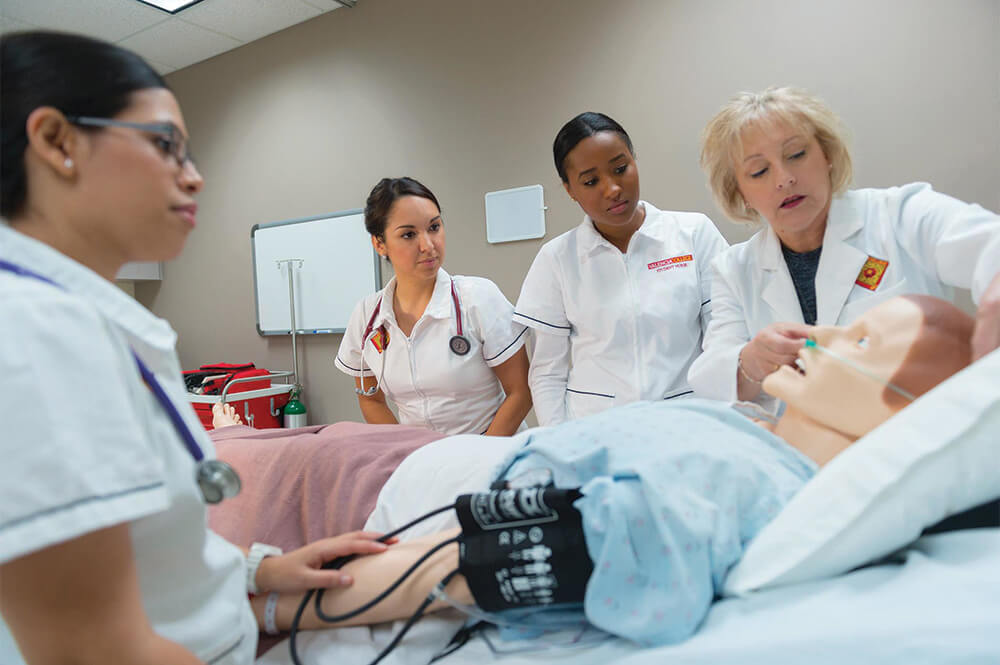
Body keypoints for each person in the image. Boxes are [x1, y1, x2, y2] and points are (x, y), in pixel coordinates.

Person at [260, 294, 979, 648]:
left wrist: (259, 607)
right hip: (399, 454)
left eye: (860, 341)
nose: (817, 337)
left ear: (902, 409)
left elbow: (450, 566)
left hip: (375, 487)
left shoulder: (742, 480)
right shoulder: (751, 435)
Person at [0, 31, 391, 665]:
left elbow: (140, 551)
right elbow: (95, 650)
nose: (195, 176)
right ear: (56, 141)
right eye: (165, 145)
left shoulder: (83, 321)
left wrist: (261, 569)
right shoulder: (33, 334)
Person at [687, 86, 1000, 406]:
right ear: (740, 194)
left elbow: (990, 243)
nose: (784, 178)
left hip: (921, 422)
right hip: (808, 436)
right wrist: (751, 360)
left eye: (796, 154)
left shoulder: (900, 214)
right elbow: (713, 378)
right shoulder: (734, 271)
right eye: (759, 171)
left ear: (827, 155)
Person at [513, 112, 729, 426]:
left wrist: (722, 422)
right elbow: (548, 373)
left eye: (620, 168)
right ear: (570, 189)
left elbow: (724, 340)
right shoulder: (557, 259)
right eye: (591, 181)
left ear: (634, 160)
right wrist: (558, 441)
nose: (613, 188)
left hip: (687, 421)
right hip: (597, 430)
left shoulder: (693, 234)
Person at [335, 177, 531, 436]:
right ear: (379, 243)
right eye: (408, 234)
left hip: (493, 447)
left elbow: (521, 392)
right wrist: (406, 451)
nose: (428, 245)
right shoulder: (366, 316)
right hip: (421, 454)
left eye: (434, 227)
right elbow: (371, 400)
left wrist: (479, 452)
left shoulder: (478, 298)